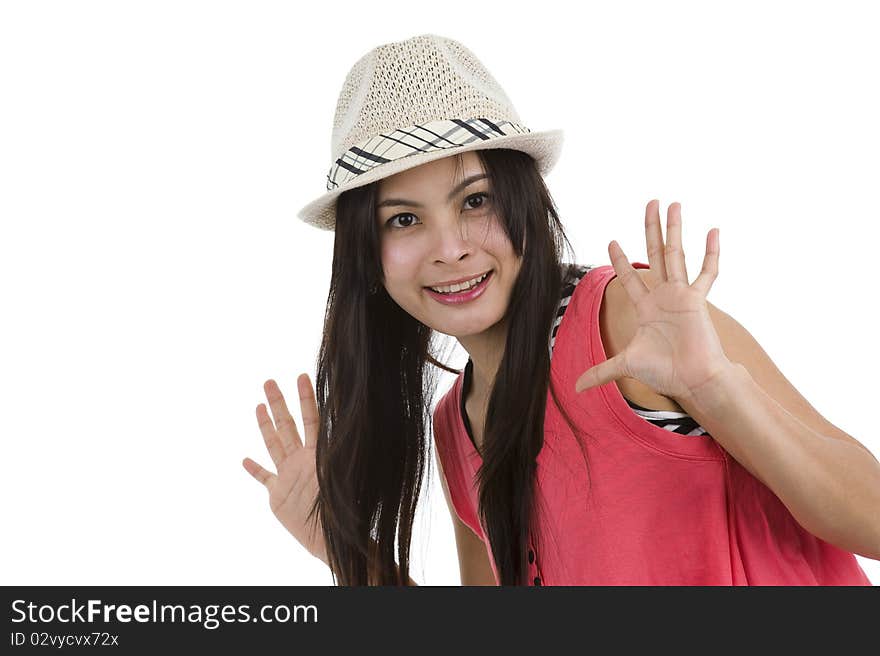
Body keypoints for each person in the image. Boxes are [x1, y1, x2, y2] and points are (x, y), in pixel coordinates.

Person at [242, 33, 880, 585]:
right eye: (404, 220)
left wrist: (717, 391)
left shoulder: (626, 325)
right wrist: (349, 553)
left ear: (525, 200)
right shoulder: (456, 427)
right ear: (368, 259)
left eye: (475, 200)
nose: (450, 249)